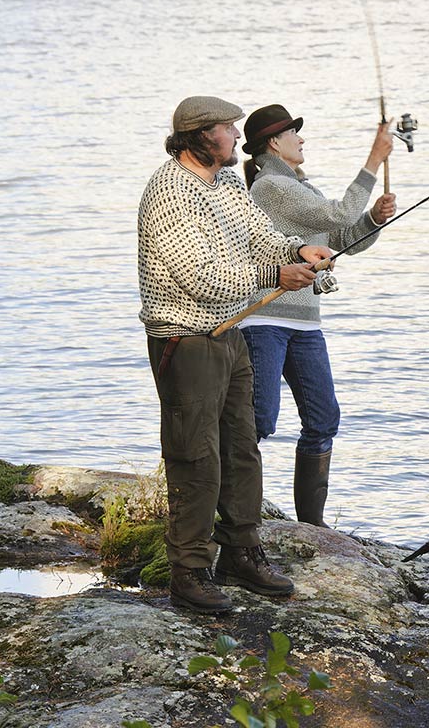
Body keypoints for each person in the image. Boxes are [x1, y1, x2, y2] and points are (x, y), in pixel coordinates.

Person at [137, 95, 334, 613]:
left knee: (242, 447)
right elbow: (198, 279)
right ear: (202, 136)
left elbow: (261, 236)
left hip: (231, 334)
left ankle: (242, 553)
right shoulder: (169, 192)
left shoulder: (225, 183)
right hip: (185, 339)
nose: (233, 134)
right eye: (226, 127)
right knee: (195, 458)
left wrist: (296, 252)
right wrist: (276, 276)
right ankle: (189, 571)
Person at [239, 104, 396, 526]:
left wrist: (372, 220)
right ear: (274, 142)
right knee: (259, 420)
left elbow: (342, 236)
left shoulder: (301, 189)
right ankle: (236, 516)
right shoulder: (270, 187)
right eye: (296, 133)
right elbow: (336, 214)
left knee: (323, 419)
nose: (302, 140)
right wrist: (373, 160)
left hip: (305, 324)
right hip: (264, 321)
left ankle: (312, 527)